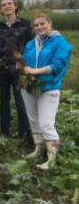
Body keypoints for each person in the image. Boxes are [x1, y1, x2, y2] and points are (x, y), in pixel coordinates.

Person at [20, 14, 72, 169]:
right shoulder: (30, 44)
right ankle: (38, 149)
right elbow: (24, 61)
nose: (39, 27)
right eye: (36, 25)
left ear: (50, 24)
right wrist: (22, 68)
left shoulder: (60, 43)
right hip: (29, 88)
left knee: (46, 123)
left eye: (42, 24)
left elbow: (58, 65)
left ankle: (51, 158)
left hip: (49, 87)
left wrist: (35, 71)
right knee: (34, 121)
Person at [0, 0, 33, 138]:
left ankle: (24, 132)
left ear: (15, 6)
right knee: (3, 101)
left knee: (21, 102)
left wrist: (24, 64)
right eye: (4, 4)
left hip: (19, 70)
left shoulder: (27, 25)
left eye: (10, 3)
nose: (7, 6)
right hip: (1, 69)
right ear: (1, 9)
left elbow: (32, 47)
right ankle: (4, 131)